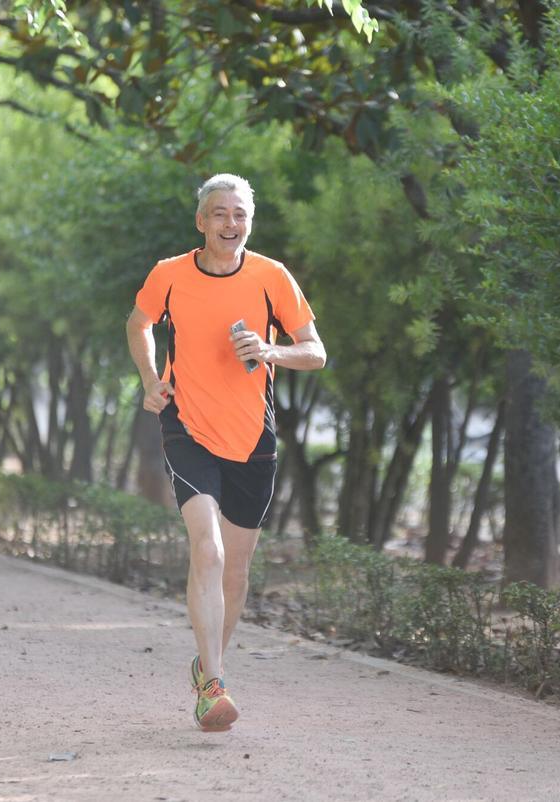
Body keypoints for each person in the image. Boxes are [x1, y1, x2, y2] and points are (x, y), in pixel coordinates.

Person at [126, 174, 326, 732]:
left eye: (239, 214)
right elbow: (139, 323)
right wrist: (149, 378)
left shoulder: (271, 277)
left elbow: (316, 352)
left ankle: (207, 666)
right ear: (200, 221)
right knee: (207, 551)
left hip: (251, 436)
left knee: (235, 570)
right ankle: (213, 686)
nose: (229, 224)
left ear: (249, 222)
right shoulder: (169, 275)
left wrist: (268, 350)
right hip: (185, 424)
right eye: (218, 213)